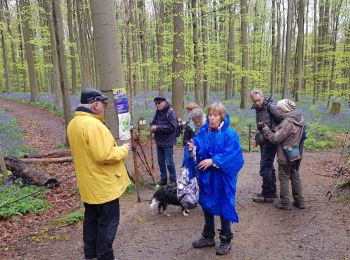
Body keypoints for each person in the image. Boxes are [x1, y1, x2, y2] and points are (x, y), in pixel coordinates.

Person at [67, 88, 131, 260]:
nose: (104, 106)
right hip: (103, 185)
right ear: (94, 104)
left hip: (89, 185)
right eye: (103, 103)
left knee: (91, 221)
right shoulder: (93, 125)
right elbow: (104, 155)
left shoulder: (74, 123)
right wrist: (123, 150)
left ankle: (91, 255)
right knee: (107, 225)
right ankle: (105, 257)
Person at [187, 102, 244, 256]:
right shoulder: (204, 132)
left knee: (224, 204)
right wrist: (193, 148)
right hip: (207, 177)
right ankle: (208, 236)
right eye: (210, 115)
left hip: (223, 178)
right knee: (206, 203)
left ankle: (226, 239)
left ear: (221, 117)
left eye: (215, 115)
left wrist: (213, 161)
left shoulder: (230, 134)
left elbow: (234, 154)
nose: (212, 118)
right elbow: (198, 147)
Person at [260, 99, 305, 210]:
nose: (278, 111)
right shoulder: (300, 118)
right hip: (296, 152)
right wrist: (276, 128)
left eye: (279, 109)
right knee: (295, 175)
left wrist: (265, 129)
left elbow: (275, 139)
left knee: (284, 177)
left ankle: (285, 202)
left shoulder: (287, 123)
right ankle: (299, 201)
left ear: (284, 109)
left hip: (286, 153)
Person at [250, 89, 280, 203]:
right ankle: (272, 192)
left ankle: (267, 194)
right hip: (264, 140)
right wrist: (257, 139)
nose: (257, 102)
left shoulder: (270, 106)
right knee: (269, 166)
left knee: (265, 167)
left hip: (270, 140)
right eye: (255, 101)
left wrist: (274, 133)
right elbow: (260, 125)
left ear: (262, 97)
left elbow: (281, 121)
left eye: (259, 100)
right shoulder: (259, 108)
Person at [150, 96, 178, 186]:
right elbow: (153, 122)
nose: (157, 105)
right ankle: (163, 179)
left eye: (159, 103)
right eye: (156, 104)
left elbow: (172, 127)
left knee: (169, 162)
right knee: (160, 161)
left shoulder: (170, 112)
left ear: (164, 102)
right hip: (159, 141)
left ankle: (173, 180)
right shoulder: (157, 112)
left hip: (168, 141)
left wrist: (157, 128)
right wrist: (152, 127)